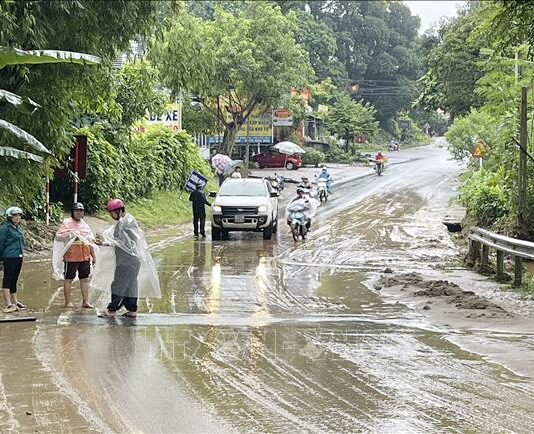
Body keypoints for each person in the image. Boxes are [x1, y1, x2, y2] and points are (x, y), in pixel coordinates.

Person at [103, 199, 142, 318]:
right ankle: (132, 310)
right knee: (130, 286)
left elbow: (126, 243)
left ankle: (111, 310)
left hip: (127, 261)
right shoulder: (127, 220)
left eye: (112, 213)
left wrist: (109, 242)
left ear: (119, 211)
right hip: (132, 260)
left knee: (118, 285)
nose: (111, 216)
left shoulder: (126, 223)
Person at [54, 202, 96, 308]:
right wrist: (70, 234)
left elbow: (90, 241)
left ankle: (85, 301)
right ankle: (67, 302)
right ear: (73, 212)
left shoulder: (85, 225)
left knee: (85, 279)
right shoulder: (67, 223)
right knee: (68, 279)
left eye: (81, 211)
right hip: (71, 257)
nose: (79, 213)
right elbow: (58, 236)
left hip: (85, 256)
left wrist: (93, 255)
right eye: (76, 211)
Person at [0, 207, 25, 313]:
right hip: (9, 257)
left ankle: (15, 302)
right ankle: (8, 304)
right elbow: (1, 243)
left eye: (19, 215)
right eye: (15, 215)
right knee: (8, 279)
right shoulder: (5, 228)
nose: (17, 217)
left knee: (14, 279)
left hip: (18, 256)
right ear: (10, 217)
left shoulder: (18, 228)